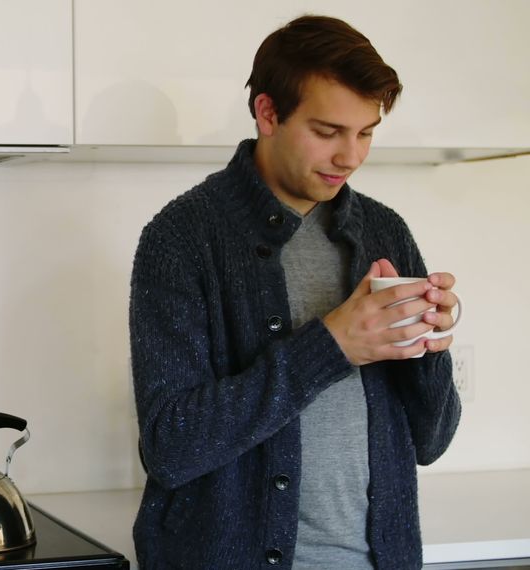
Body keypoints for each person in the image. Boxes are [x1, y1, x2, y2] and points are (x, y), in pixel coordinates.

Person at [128, 15, 461, 570]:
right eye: (328, 132)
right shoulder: (182, 238)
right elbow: (170, 446)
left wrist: (431, 345)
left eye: (366, 132)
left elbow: (431, 441)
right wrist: (330, 346)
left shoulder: (385, 232)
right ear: (268, 112)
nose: (349, 157)